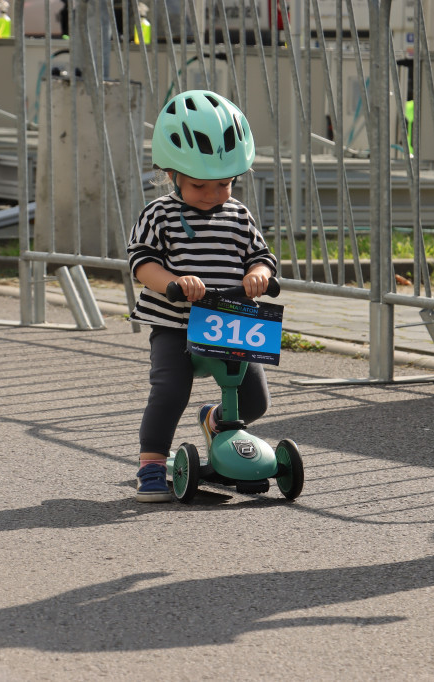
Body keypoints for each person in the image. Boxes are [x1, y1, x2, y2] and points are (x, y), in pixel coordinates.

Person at [127, 89, 277, 502]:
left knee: (255, 400)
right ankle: (153, 463)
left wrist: (259, 275)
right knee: (170, 391)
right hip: (176, 324)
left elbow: (261, 256)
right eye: (200, 186)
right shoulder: (158, 214)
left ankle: (216, 421)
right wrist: (174, 281)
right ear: (172, 173)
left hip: (232, 321)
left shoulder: (238, 214)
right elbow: (141, 262)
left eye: (225, 184)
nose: (214, 195)